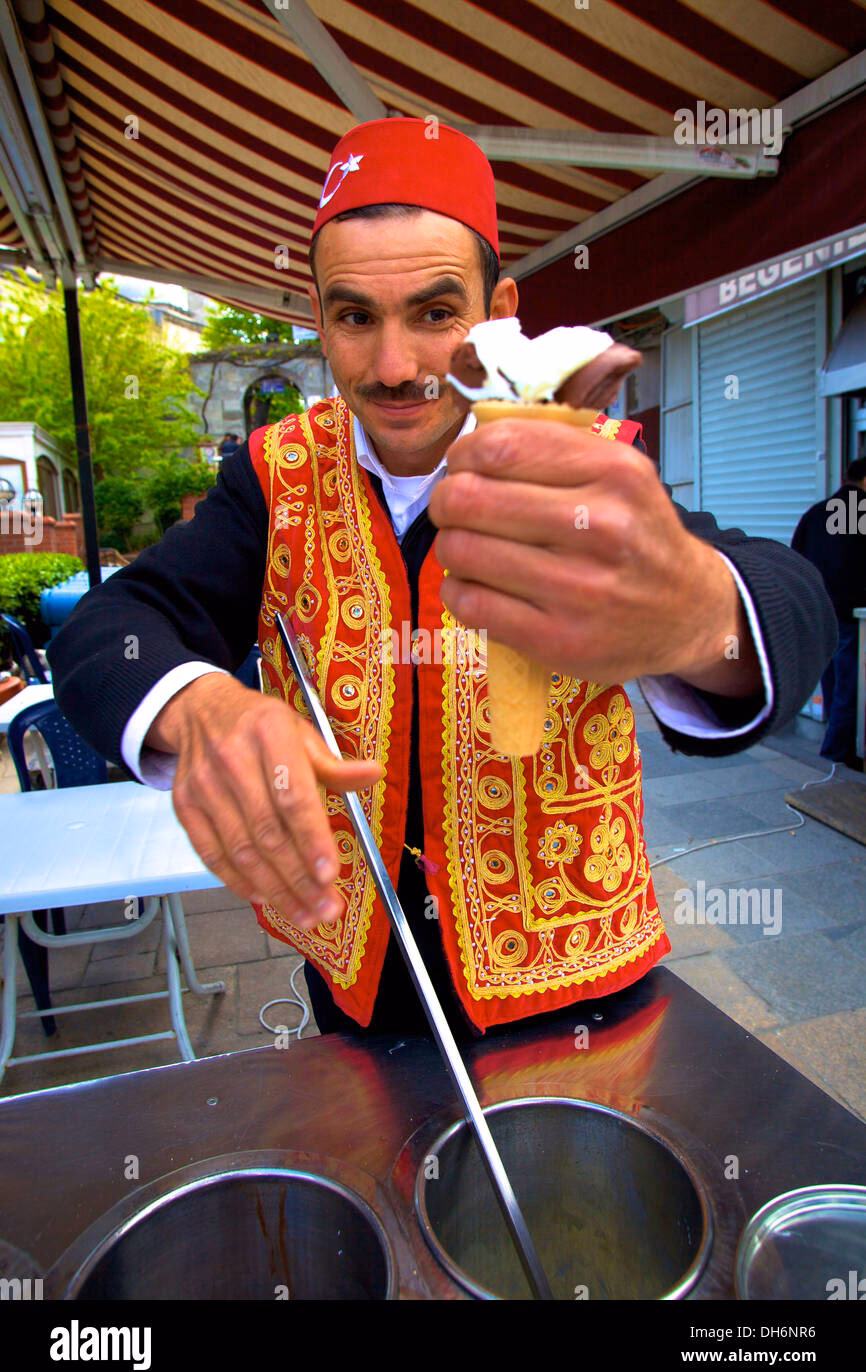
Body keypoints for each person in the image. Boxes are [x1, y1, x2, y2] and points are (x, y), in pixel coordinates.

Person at [48, 118, 837, 1041]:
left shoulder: (579, 461)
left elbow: (793, 595)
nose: (395, 367)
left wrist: (704, 617)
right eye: (355, 317)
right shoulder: (272, 476)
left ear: (499, 309)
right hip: (360, 984)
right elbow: (111, 628)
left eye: (434, 313)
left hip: (573, 981)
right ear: (318, 317)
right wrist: (201, 709)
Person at [792, 457, 866, 768]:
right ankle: (838, 749)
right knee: (849, 683)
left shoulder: (818, 512)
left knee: (834, 679)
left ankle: (836, 743)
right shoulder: (859, 510)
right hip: (850, 612)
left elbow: (796, 555)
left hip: (819, 611)